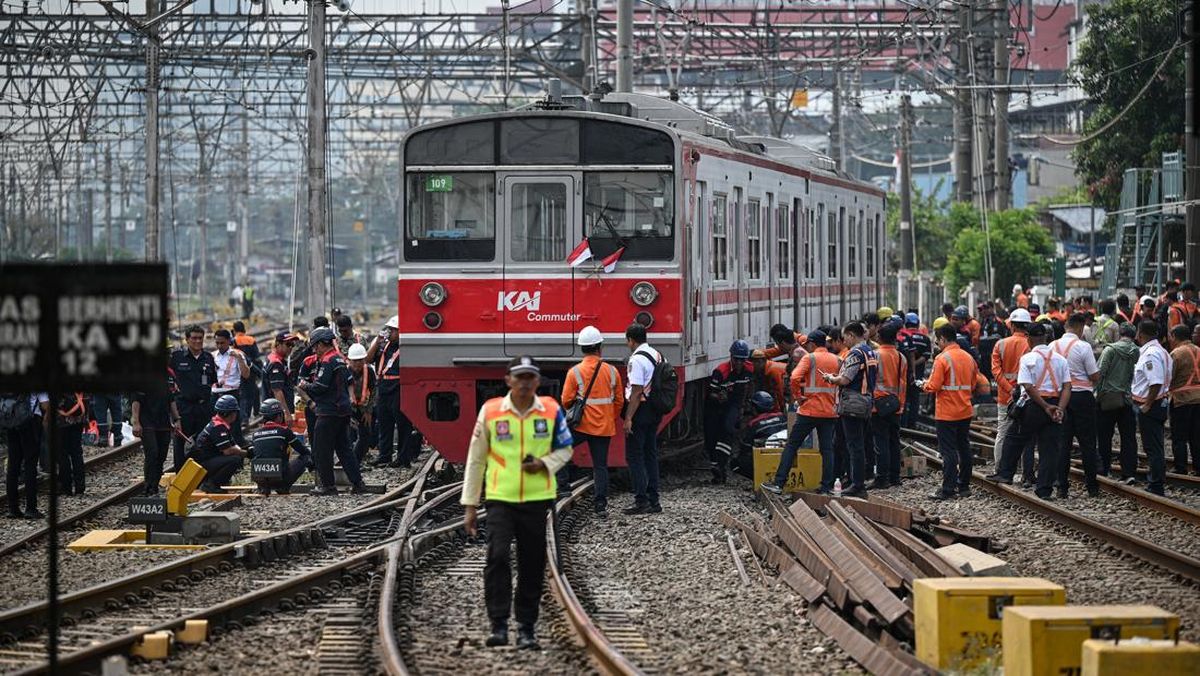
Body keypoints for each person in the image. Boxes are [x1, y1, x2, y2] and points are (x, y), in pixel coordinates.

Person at [462, 355, 574, 651]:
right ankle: (498, 624)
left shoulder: (550, 411)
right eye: (519, 377)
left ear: (537, 381)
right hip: (500, 497)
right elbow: (476, 458)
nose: (524, 383)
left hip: (537, 499)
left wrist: (545, 464)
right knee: (497, 557)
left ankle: (526, 628)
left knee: (531, 563)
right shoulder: (491, 411)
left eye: (530, 377)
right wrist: (470, 504)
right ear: (508, 380)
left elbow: (565, 450)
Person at [986, 321, 1070, 499]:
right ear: (1045, 337)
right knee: (1049, 449)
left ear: (1029, 339)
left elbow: (1028, 386)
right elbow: (1067, 387)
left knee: (1014, 438)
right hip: (1055, 403)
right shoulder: (1060, 360)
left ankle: (1005, 473)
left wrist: (1045, 407)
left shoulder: (1028, 358)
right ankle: (1044, 489)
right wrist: (1059, 409)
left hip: (1034, 405)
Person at [761, 330, 841, 495]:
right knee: (827, 450)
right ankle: (827, 486)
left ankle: (778, 483)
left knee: (792, 445)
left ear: (812, 343)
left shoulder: (809, 358)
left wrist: (799, 397)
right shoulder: (837, 359)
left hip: (809, 411)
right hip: (830, 411)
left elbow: (794, 378)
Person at [560, 326, 623, 516]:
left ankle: (563, 487)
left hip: (581, 425)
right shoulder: (612, 372)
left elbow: (566, 400)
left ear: (582, 349)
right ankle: (600, 506)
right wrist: (608, 417)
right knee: (600, 465)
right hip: (604, 427)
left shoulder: (574, 372)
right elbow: (619, 401)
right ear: (600, 347)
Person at [297, 327, 368, 495]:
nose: (314, 350)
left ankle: (328, 486)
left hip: (329, 411)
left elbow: (320, 387)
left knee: (321, 449)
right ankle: (358, 483)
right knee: (344, 449)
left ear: (322, 344)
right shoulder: (339, 359)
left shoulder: (328, 361)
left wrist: (305, 386)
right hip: (342, 411)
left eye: (315, 346)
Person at [920, 324, 987, 500]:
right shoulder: (968, 358)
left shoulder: (942, 359)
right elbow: (973, 385)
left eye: (937, 340)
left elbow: (934, 386)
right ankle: (963, 486)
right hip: (965, 410)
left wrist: (923, 384)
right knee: (964, 447)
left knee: (948, 451)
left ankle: (947, 489)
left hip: (947, 413)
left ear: (943, 339)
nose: (937, 344)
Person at [1051, 313, 1102, 498]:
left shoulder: (1052, 346)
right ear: (1080, 328)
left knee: (1062, 444)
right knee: (1087, 443)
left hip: (1060, 399)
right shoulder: (1083, 346)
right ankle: (1092, 487)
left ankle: (1061, 487)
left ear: (1066, 326)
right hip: (1082, 398)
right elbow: (1094, 375)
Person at [623, 323, 663, 514]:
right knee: (650, 453)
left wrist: (628, 417)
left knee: (634, 456)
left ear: (631, 340)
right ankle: (654, 500)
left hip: (641, 410)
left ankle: (641, 500)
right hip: (654, 409)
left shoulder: (636, 360)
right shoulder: (657, 354)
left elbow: (637, 391)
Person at [705, 340, 754, 484]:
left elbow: (749, 386)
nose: (739, 363)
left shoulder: (749, 370)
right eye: (736, 359)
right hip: (715, 407)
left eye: (742, 360)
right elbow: (710, 394)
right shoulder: (720, 372)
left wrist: (745, 406)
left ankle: (721, 465)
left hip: (733, 404)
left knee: (727, 430)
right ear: (731, 357)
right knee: (711, 436)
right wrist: (719, 396)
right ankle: (715, 465)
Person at [1132, 320, 1172, 495]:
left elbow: (1155, 381)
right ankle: (1156, 480)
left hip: (1151, 404)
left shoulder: (1150, 355)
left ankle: (1155, 484)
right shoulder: (1162, 352)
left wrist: (1147, 404)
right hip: (1159, 402)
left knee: (1152, 446)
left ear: (1140, 335)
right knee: (1156, 444)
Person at [170, 325, 218, 471]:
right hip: (184, 407)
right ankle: (180, 476)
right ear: (187, 339)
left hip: (203, 407)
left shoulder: (208, 358)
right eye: (194, 338)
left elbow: (213, 380)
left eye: (200, 338)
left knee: (203, 442)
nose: (197, 341)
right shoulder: (177, 357)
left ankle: (200, 476)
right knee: (180, 443)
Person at [369, 316, 415, 467]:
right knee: (384, 424)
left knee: (403, 424)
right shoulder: (383, 346)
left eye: (393, 330)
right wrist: (377, 340)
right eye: (389, 330)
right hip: (383, 386)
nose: (390, 333)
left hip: (398, 387)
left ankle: (403, 458)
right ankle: (384, 455)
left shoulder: (408, 348)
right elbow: (368, 359)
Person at [1096, 323, 1140, 481]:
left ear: (1120, 333)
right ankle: (1129, 473)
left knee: (1104, 436)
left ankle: (1104, 469)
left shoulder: (1110, 350)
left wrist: (1097, 394)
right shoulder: (1136, 351)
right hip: (1127, 398)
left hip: (1108, 399)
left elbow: (1100, 373)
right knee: (1128, 437)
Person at [991, 308, 1032, 464]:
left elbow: (996, 371)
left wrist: (1010, 390)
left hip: (1005, 397)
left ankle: (999, 467)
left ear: (1013, 326)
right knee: (1026, 434)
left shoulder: (1000, 344)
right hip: (1027, 396)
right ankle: (1025, 472)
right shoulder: (1030, 345)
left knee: (1003, 432)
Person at [132, 368, 181, 496]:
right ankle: (148, 487)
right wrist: (136, 422)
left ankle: (154, 486)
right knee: (152, 453)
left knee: (161, 456)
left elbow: (171, 399)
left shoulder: (168, 375)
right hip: (147, 422)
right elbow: (136, 400)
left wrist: (177, 419)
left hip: (163, 422)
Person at [248, 398, 311, 495]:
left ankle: (263, 487)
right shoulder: (284, 431)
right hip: (280, 477)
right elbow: (302, 450)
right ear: (279, 416)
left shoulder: (255, 434)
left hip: (259, 478)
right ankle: (283, 487)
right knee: (306, 457)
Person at [188, 394, 248, 494]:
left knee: (236, 455)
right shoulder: (218, 427)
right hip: (203, 464)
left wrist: (244, 450)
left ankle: (217, 482)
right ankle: (211, 484)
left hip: (207, 460)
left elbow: (233, 444)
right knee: (235, 459)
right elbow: (228, 451)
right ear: (230, 413)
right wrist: (245, 453)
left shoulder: (219, 423)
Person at [871, 322, 906, 488]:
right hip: (895, 404)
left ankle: (882, 478)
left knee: (881, 442)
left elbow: (871, 380)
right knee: (894, 441)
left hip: (878, 405)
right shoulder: (901, 357)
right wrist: (901, 405)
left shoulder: (875, 355)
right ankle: (895, 476)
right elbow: (903, 383)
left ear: (879, 337)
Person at [1167, 324, 1200, 476]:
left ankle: (1181, 467)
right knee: (1196, 436)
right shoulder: (1199, 351)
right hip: (1198, 399)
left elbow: (1169, 377)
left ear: (1175, 337)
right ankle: (1198, 467)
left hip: (1181, 400)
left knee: (1179, 437)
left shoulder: (1176, 354)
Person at [734, 392, 787, 478]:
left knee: (736, 464)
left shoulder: (754, 424)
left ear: (755, 407)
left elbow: (746, 446)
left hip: (766, 459)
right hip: (786, 456)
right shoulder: (782, 417)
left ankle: (758, 477)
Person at [899, 312, 931, 427]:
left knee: (904, 398)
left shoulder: (904, 337)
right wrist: (916, 364)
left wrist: (909, 365)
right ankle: (912, 423)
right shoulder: (925, 338)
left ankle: (904, 423)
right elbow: (926, 356)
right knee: (915, 399)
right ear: (917, 323)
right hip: (918, 374)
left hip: (904, 374)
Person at [346, 343, 377, 464]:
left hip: (364, 408)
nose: (357, 364)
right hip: (349, 409)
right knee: (348, 437)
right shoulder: (344, 372)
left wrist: (369, 411)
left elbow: (374, 391)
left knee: (366, 436)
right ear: (349, 361)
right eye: (354, 361)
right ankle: (350, 463)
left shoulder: (369, 371)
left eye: (360, 361)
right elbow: (342, 393)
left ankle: (356, 461)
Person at [263, 332, 300, 423]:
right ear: (278, 344)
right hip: (277, 413)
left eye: (292, 345)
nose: (291, 348)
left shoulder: (274, 358)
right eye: (288, 344)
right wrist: (286, 413)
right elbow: (277, 391)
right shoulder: (276, 363)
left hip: (274, 410)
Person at [232, 321, 261, 419]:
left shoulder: (233, 341)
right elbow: (257, 357)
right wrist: (258, 371)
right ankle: (254, 413)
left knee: (244, 394)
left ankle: (245, 418)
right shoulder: (251, 340)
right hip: (251, 369)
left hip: (239, 370)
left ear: (234, 330)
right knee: (252, 392)